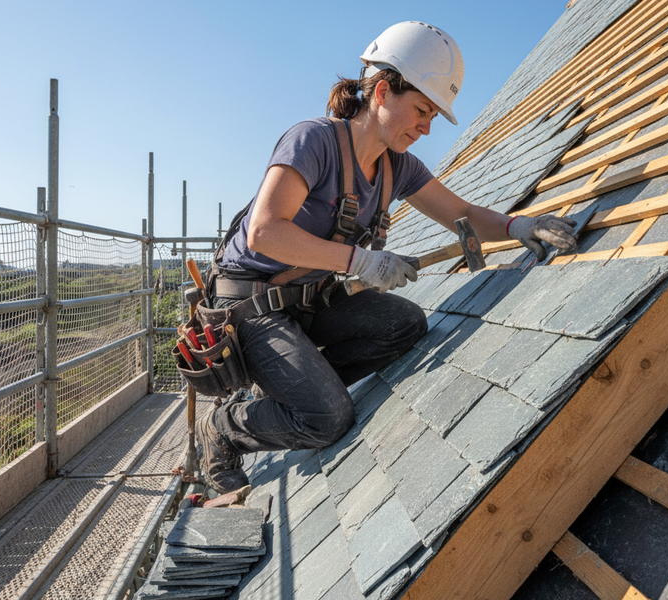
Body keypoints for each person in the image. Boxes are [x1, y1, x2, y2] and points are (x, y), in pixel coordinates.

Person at [198, 21, 578, 494]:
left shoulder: (399, 168)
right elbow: (265, 231)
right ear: (382, 91)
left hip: (308, 300)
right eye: (421, 109)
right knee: (327, 417)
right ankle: (225, 428)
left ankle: (292, 387)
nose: (426, 126)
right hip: (252, 307)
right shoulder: (312, 141)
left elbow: (459, 212)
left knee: (404, 324)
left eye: (434, 116)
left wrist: (516, 226)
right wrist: (360, 261)